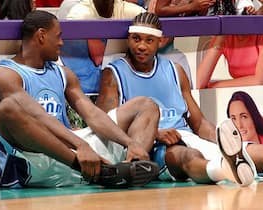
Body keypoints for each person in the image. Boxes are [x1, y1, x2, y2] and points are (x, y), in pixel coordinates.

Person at [0, 10, 160, 188]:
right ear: (41, 36)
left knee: (146, 105)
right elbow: (39, 116)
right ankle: (99, 173)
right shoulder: (5, 74)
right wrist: (80, 145)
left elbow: (92, 114)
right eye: (58, 36)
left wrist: (129, 143)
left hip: (75, 148)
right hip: (36, 161)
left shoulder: (63, 73)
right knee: (8, 109)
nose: (61, 42)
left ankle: (129, 167)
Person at [96, 12, 257, 186]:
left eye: (149, 40)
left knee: (251, 151)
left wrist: (222, 141)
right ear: (128, 39)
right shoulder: (113, 74)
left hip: (184, 134)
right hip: (152, 147)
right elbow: (107, 127)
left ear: (160, 41)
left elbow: (200, 123)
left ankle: (231, 162)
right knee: (187, 155)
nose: (141, 46)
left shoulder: (175, 70)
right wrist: (154, 133)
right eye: (136, 39)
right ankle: (225, 170)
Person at [58, 0, 146, 93]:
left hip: (124, 79)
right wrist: (90, 36)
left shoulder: (134, 12)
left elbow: (154, 31)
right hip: (86, 84)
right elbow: (97, 58)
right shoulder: (78, 13)